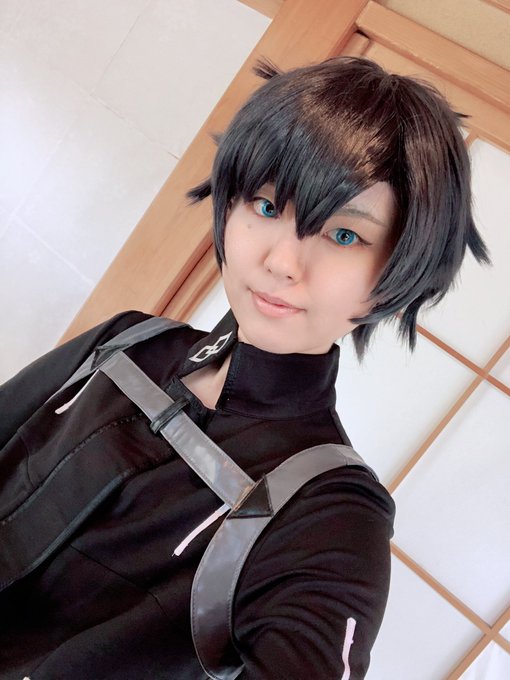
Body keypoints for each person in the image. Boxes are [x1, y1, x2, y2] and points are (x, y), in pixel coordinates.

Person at [0, 56, 490, 679]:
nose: (282, 262)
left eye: (344, 235)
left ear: (399, 273)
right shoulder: (128, 342)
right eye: (265, 204)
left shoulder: (332, 516)